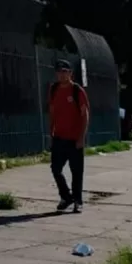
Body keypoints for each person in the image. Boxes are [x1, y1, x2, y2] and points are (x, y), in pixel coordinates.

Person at [48, 59, 90, 212]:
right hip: (59, 137)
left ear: (70, 73)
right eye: (59, 72)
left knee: (76, 171)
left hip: (74, 138)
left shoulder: (77, 91)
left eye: (65, 72)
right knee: (55, 168)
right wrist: (50, 133)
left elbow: (85, 114)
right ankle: (66, 196)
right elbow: (52, 112)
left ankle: (78, 201)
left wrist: (81, 138)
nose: (62, 75)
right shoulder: (54, 89)